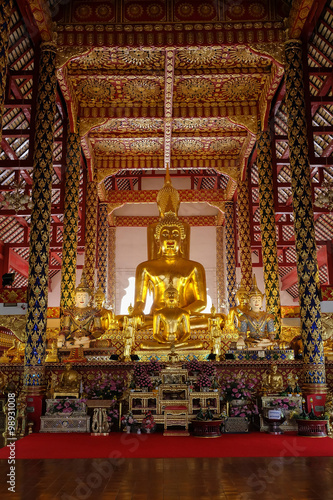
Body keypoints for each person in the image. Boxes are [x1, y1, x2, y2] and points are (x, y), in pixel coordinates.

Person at [59, 271, 103, 347]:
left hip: (87, 340)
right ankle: (76, 345)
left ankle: (77, 345)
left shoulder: (94, 312)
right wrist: (62, 336)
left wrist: (87, 338)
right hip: (73, 339)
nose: (81, 298)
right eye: (79, 296)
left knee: (103, 343)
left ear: (89, 298)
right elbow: (66, 330)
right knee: (57, 344)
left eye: (84, 296)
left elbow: (98, 331)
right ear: (75, 298)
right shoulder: (69, 312)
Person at [238, 275, 276, 349]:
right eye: (254, 300)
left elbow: (271, 333)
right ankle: (258, 346)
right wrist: (240, 339)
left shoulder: (267, 316)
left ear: (262, 302)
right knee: (241, 346)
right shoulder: (245, 316)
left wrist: (270, 339)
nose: (256, 302)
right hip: (251, 341)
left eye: (258, 300)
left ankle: (260, 346)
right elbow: (243, 333)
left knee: (283, 345)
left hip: (265, 341)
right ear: (249, 302)